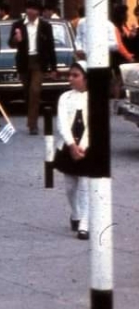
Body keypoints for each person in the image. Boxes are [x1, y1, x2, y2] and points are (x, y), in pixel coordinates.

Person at [52, 61, 91, 240]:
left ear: (85, 78)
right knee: (69, 186)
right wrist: (71, 145)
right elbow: (61, 123)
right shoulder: (65, 97)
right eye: (70, 75)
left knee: (84, 184)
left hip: (86, 148)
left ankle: (84, 222)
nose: (71, 79)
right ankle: (75, 213)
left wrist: (81, 147)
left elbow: (93, 126)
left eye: (75, 75)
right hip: (68, 146)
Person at [8, 0, 57, 135]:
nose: (31, 11)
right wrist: (15, 39)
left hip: (38, 62)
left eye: (34, 9)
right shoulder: (18, 25)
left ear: (39, 11)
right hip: (24, 61)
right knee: (27, 92)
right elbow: (11, 44)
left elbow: (50, 47)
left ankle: (32, 124)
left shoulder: (45, 26)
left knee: (35, 91)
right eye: (29, 8)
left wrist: (53, 68)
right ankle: (31, 117)